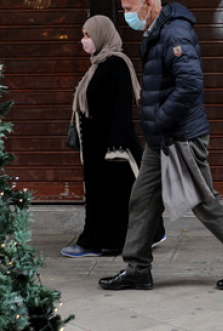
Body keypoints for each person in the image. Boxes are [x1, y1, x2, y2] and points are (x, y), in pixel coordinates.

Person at [98, 0, 223, 291]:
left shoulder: (175, 32)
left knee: (202, 200)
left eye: (129, 9)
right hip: (160, 137)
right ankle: (137, 269)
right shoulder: (156, 32)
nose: (126, 16)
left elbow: (190, 83)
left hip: (181, 135)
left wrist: (160, 119)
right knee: (142, 199)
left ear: (149, 4)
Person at [61, 15, 163, 257]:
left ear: (102, 34)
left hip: (108, 146)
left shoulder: (116, 63)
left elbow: (121, 109)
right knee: (105, 196)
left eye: (88, 35)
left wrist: (115, 147)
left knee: (111, 196)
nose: (83, 40)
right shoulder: (99, 64)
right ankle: (108, 240)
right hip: (96, 145)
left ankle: (94, 242)